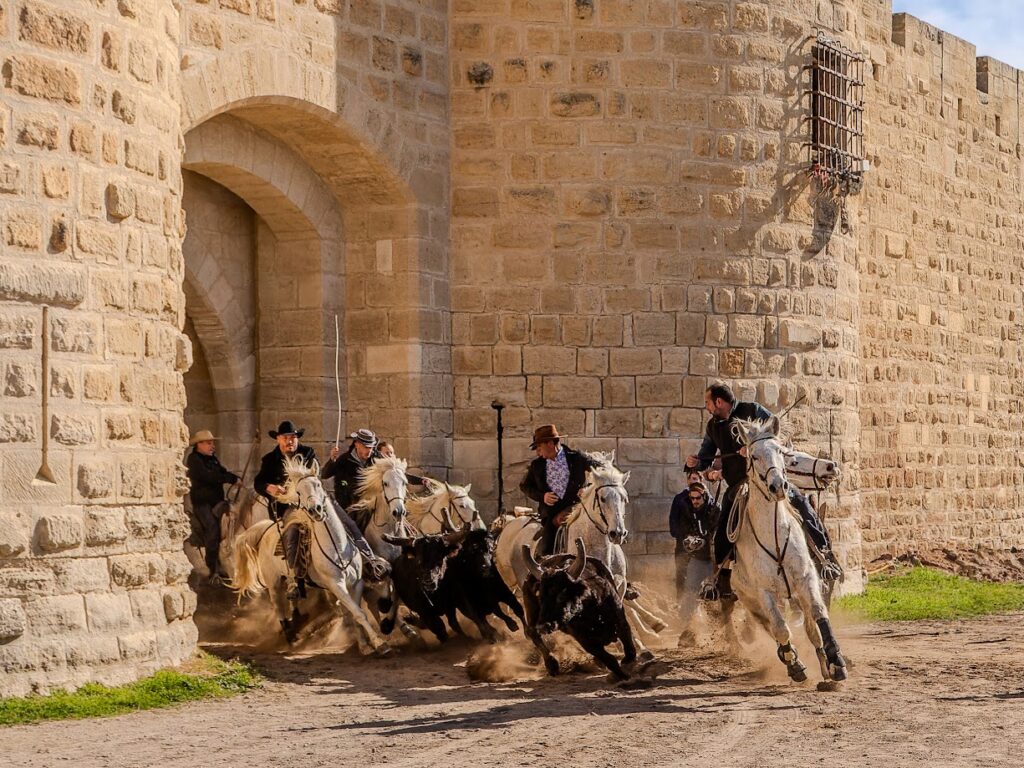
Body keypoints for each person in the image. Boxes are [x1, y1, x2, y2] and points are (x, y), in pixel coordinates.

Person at [685, 382, 841, 600]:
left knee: (803, 506)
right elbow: (706, 455)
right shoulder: (713, 427)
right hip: (740, 483)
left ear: (719, 402)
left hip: (769, 477)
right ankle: (721, 580)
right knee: (723, 528)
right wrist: (694, 463)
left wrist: (753, 447)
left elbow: (775, 435)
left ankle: (825, 557)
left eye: (707, 403)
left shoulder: (752, 410)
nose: (707, 407)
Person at [254, 421, 386, 600]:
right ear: (278, 439)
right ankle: (294, 578)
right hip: (289, 506)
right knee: (292, 533)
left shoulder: (307, 453)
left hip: (315, 501)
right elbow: (259, 482)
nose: (290, 441)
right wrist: (270, 487)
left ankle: (370, 559)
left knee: (348, 522)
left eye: (293, 437)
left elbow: (316, 474)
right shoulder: (269, 460)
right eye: (285, 438)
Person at [519, 424, 599, 555]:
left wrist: (588, 487)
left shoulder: (576, 458)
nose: (538, 453)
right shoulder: (537, 465)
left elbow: (600, 469)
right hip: (551, 516)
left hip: (578, 510)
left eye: (539, 448)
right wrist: (542, 496)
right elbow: (524, 486)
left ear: (550, 443)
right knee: (545, 551)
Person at [185, 430, 239, 583]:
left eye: (212, 443)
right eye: (209, 443)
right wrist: (229, 479)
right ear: (199, 445)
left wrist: (235, 478)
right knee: (212, 530)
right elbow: (210, 477)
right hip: (202, 504)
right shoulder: (194, 460)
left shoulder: (212, 459)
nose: (212, 445)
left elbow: (222, 472)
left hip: (217, 502)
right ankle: (213, 569)